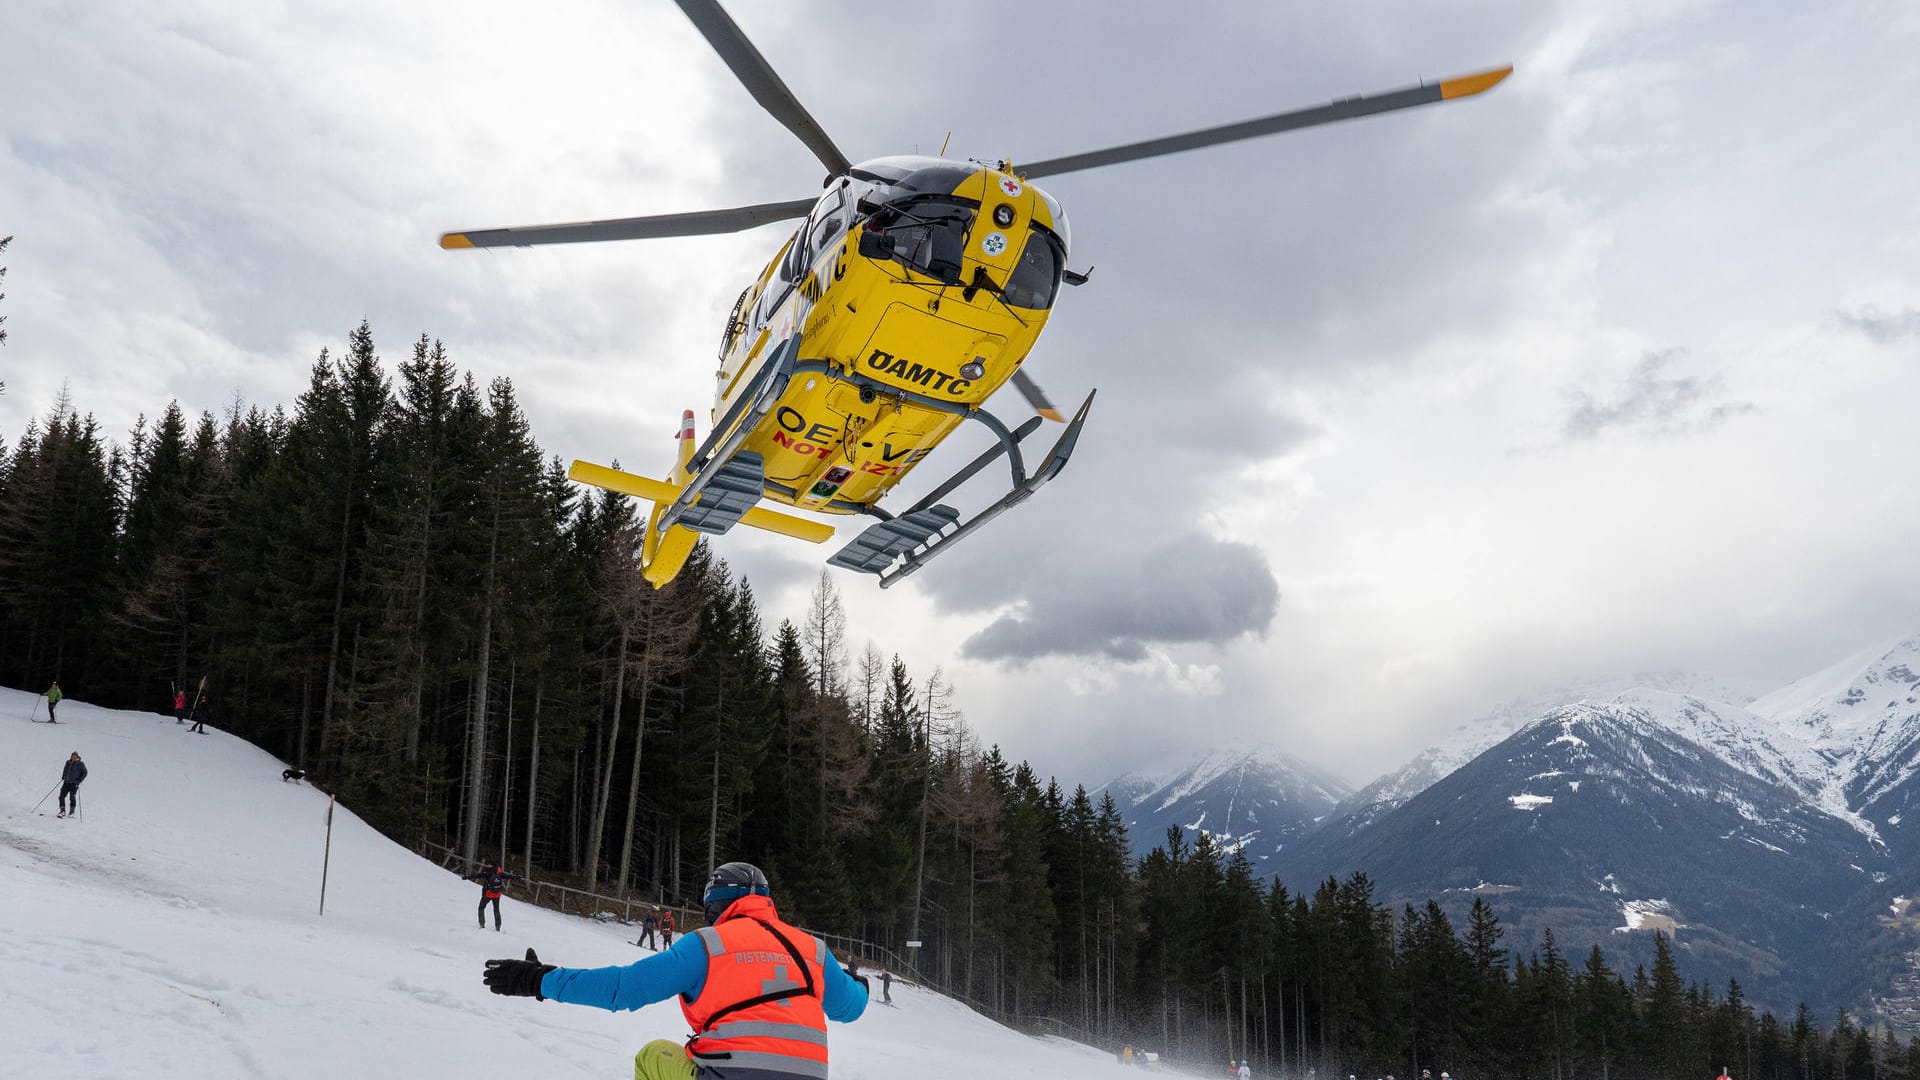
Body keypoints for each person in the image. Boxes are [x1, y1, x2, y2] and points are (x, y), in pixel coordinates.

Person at [483, 861, 868, 1080]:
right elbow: (851, 1007)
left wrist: (539, 979)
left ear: (713, 908)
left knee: (651, 1056)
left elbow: (622, 989)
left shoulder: (708, 945)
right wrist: (859, 983)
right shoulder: (811, 950)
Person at [473, 863, 514, 930]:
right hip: (497, 895)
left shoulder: (488, 872)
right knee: (496, 909)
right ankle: (498, 926)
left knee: (481, 907)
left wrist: (467, 877)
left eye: (489, 865)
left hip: (488, 894)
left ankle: (482, 924)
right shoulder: (500, 873)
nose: (488, 866)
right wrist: (517, 876)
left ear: (491, 865)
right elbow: (509, 876)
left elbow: (478, 875)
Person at [57, 751, 87, 818]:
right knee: (61, 796)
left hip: (74, 784)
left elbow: (85, 773)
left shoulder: (80, 764)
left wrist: (79, 781)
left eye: (74, 756)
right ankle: (62, 811)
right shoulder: (68, 762)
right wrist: (63, 776)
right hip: (66, 782)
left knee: (72, 797)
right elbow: (65, 770)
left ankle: (72, 812)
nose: (73, 757)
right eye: (72, 756)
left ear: (77, 757)